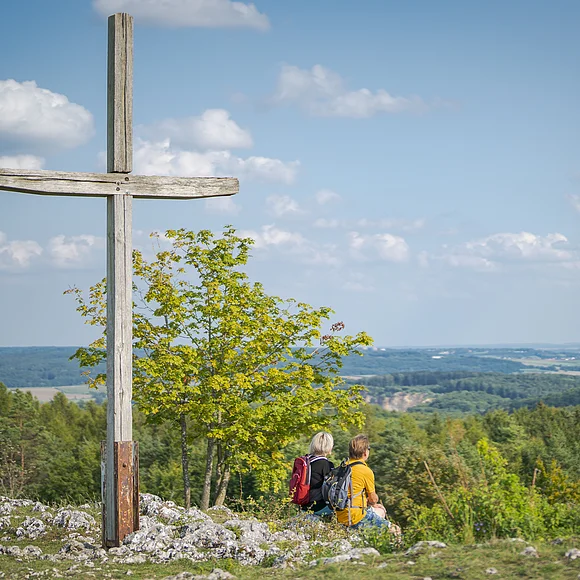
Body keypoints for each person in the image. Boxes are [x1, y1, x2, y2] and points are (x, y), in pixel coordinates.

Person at [336, 434, 391, 529]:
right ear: (365, 452)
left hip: (340, 515)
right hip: (355, 517)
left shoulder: (342, 467)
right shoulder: (365, 471)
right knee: (393, 529)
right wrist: (373, 502)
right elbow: (373, 499)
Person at [300, 431, 335, 517]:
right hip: (319, 507)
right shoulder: (326, 464)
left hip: (304, 506)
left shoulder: (306, 462)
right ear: (329, 447)